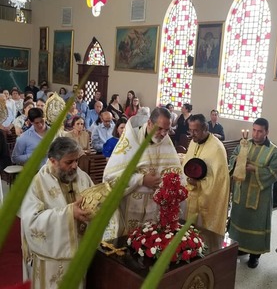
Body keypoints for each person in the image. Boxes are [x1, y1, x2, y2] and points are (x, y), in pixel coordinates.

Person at [20, 137, 94, 289]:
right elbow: (31, 223)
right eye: (69, 162)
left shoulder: (82, 177)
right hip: (51, 260)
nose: (75, 166)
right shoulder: (37, 184)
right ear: (53, 161)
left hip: (79, 252)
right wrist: (68, 213)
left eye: (76, 160)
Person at [103, 107, 184, 235]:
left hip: (155, 208)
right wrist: (141, 179)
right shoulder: (131, 140)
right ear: (149, 123)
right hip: (130, 205)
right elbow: (110, 177)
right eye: (160, 129)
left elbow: (176, 174)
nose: (163, 134)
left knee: (151, 244)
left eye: (167, 130)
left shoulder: (165, 141)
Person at [228, 118, 277, 268]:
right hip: (242, 190)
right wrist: (238, 161)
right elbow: (232, 158)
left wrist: (254, 169)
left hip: (260, 195)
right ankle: (240, 248)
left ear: (266, 132)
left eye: (260, 131)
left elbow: (275, 173)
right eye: (254, 130)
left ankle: (255, 255)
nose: (256, 134)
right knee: (240, 219)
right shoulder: (244, 144)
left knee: (256, 223)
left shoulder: (274, 151)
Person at [183, 114, 230, 236]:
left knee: (203, 236)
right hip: (191, 197)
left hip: (206, 202)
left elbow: (220, 181)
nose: (192, 134)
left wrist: (199, 183)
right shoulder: (194, 142)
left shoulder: (217, 148)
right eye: (190, 130)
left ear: (205, 128)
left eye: (196, 131)